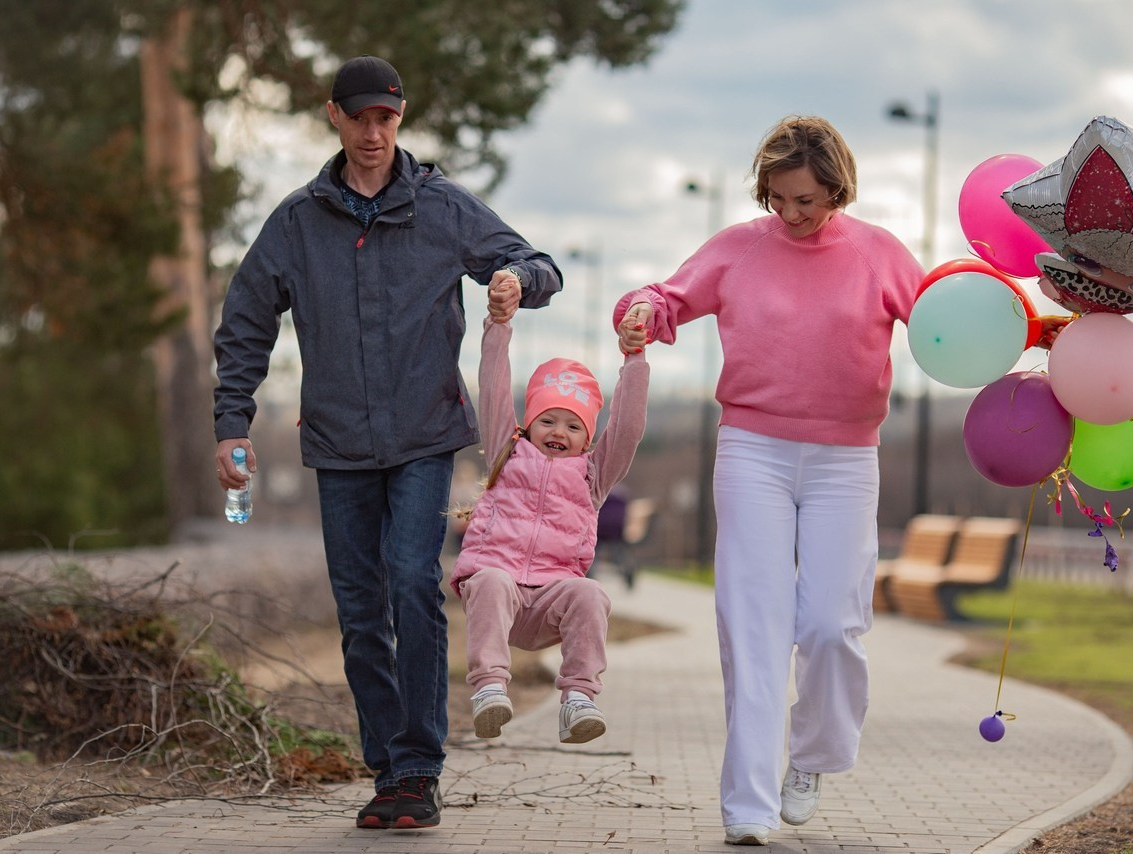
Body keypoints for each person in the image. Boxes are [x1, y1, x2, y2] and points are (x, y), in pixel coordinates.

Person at [212, 55, 562, 831]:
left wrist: (515, 281)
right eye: (361, 117)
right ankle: (388, 768)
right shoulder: (298, 222)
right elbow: (244, 322)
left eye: (388, 118)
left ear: (400, 119)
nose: (375, 133)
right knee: (361, 605)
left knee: (411, 580)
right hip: (338, 444)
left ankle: (419, 766)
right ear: (333, 116)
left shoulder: (441, 207)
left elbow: (539, 265)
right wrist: (232, 423)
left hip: (424, 435)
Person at [615, 116, 924, 847]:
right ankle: (747, 804)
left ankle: (813, 756)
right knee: (753, 626)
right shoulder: (737, 249)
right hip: (752, 449)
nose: (791, 214)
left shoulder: (879, 254)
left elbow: (946, 320)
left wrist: (1026, 337)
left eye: (808, 201)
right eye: (779, 199)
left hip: (846, 460)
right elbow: (669, 297)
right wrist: (640, 312)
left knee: (829, 625)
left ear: (837, 190)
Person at [448, 294, 650, 744]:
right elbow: (495, 388)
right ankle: (489, 690)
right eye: (548, 421)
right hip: (497, 596)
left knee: (590, 593)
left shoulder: (593, 477)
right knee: (493, 580)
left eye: (573, 426)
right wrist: (498, 327)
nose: (559, 432)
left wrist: (634, 359)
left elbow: (628, 429)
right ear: (527, 425)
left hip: (549, 603)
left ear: (587, 439)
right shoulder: (507, 452)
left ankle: (578, 699)